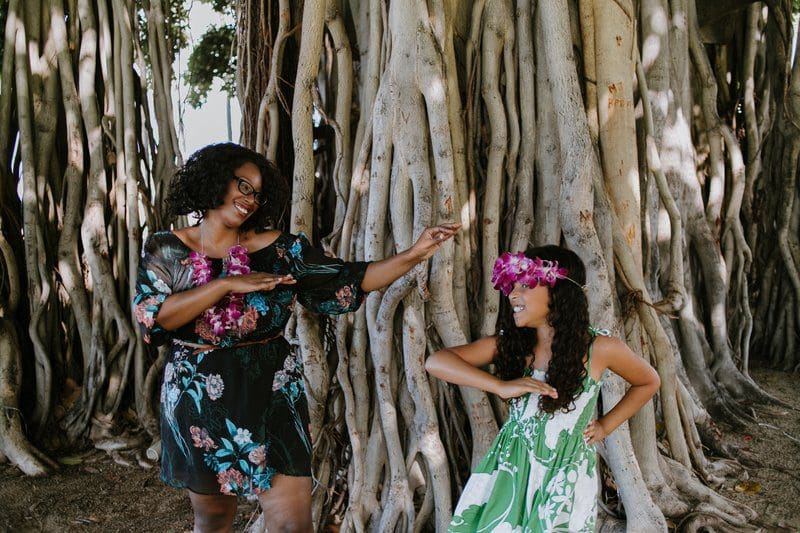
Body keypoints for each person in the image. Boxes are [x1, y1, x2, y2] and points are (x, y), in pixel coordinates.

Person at [132, 142, 459, 533]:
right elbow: (154, 317)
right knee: (214, 521)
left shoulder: (282, 250)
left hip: (273, 392)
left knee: (292, 524)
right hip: (199, 397)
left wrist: (413, 253)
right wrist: (226, 284)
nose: (250, 200)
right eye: (243, 186)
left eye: (258, 193)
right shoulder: (166, 248)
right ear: (216, 181)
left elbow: (347, 279)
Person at [425, 245, 660, 532]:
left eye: (524, 285)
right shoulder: (514, 346)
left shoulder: (600, 348)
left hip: (564, 472)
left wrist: (605, 427)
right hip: (510, 467)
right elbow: (436, 362)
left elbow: (648, 381)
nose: (512, 294)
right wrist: (499, 386)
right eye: (512, 286)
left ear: (558, 291)